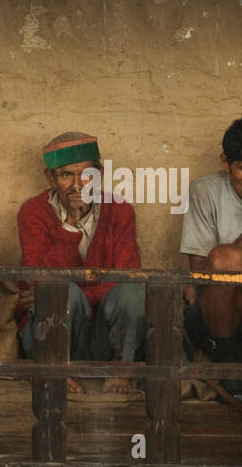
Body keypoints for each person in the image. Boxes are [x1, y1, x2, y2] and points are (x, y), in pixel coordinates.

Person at [16, 130, 145, 396]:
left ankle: (119, 368)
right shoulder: (33, 212)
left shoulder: (119, 210)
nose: (78, 184)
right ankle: (56, 370)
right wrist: (70, 227)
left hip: (103, 334)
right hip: (53, 330)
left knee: (133, 292)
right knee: (60, 292)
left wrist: (80, 291)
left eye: (87, 174)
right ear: (49, 178)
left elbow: (126, 277)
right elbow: (34, 280)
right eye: (66, 175)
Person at [181, 114, 242, 402]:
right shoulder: (206, 189)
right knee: (225, 257)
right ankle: (229, 367)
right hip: (215, 318)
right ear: (225, 163)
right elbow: (198, 275)